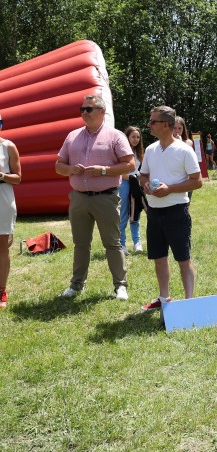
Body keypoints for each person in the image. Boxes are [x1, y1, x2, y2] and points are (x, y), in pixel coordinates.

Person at [55, 95, 134, 300]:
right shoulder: (72, 136)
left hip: (106, 198)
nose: (84, 112)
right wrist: (71, 169)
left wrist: (105, 170)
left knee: (112, 243)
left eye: (88, 109)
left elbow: (130, 165)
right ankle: (76, 285)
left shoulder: (115, 136)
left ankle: (120, 286)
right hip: (79, 198)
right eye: (82, 109)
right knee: (81, 244)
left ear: (101, 111)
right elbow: (58, 166)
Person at [139, 106, 202, 311]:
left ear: (165, 125)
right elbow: (143, 175)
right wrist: (146, 184)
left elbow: (197, 181)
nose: (149, 125)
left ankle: (189, 302)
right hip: (154, 212)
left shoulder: (184, 150)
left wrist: (170, 189)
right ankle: (164, 299)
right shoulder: (150, 149)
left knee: (183, 259)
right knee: (159, 258)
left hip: (177, 210)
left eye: (152, 122)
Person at [0, 113, 21, 308]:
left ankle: (1, 291)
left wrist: (1, 175)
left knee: (2, 246)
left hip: (3, 200)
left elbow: (18, 177)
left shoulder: (8, 146)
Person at [119, 126, 144, 255]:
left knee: (135, 213)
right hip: (123, 183)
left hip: (135, 184)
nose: (136, 139)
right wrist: (130, 177)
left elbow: (138, 170)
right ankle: (121, 243)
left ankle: (137, 243)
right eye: (133, 136)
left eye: (138, 137)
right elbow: (117, 172)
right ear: (127, 137)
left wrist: (138, 176)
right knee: (123, 214)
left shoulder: (139, 152)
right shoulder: (121, 151)